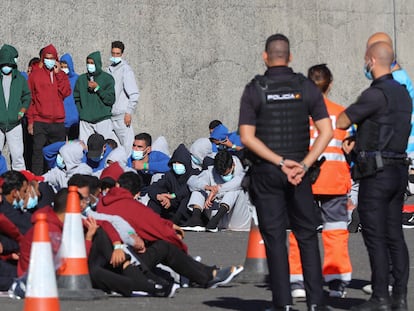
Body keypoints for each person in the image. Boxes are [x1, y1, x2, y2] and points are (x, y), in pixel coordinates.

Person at [238, 33, 333, 311]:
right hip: (300, 173)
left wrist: (279, 162)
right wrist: (302, 164)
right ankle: (316, 303)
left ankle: (283, 304)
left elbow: (246, 136)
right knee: (306, 236)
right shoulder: (306, 87)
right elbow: (326, 131)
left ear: (265, 57)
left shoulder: (255, 89)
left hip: (268, 172)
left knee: (275, 239)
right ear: (290, 57)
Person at [337, 41, 411, 311]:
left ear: (371, 60)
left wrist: (355, 136)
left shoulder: (375, 93)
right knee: (395, 235)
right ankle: (399, 297)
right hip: (398, 171)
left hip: (376, 174)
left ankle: (380, 296)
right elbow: (385, 127)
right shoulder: (404, 94)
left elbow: (343, 120)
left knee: (375, 235)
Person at [97, 171, 244, 290]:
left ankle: (203, 271)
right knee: (166, 247)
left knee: (159, 245)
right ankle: (207, 276)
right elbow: (156, 226)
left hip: (110, 258)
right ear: (136, 194)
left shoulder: (102, 204)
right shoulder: (130, 206)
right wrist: (175, 238)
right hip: (124, 261)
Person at [288, 64, 352, 299]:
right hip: (334, 181)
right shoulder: (341, 113)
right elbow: (349, 148)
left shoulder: (298, 114)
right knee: (335, 231)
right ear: (330, 84)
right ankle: (336, 281)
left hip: (303, 180)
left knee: (299, 231)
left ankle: (297, 280)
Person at [26, 44, 71, 175]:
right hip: (40, 120)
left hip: (58, 122)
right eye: (47, 58)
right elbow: (31, 99)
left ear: (56, 59)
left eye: (52, 58)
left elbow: (66, 92)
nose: (49, 61)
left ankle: (57, 179)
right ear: (42, 59)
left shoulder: (61, 75)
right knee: (38, 153)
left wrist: (58, 75)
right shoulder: (35, 75)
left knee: (58, 155)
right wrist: (30, 121)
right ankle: (37, 181)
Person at [183, 150, 251, 232]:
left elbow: (239, 182)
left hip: (239, 219)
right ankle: (195, 219)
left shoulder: (242, 172)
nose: (223, 176)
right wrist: (207, 187)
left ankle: (216, 218)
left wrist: (217, 190)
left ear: (233, 165)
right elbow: (191, 180)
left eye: (226, 174)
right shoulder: (212, 171)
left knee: (234, 189)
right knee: (198, 188)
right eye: (221, 175)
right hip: (218, 220)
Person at [147, 143, 200, 224]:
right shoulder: (170, 175)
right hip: (172, 207)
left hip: (187, 210)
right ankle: (151, 222)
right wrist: (159, 197)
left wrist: (173, 196)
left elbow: (187, 189)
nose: (177, 165)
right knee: (153, 201)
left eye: (180, 163)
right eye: (175, 163)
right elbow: (154, 187)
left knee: (187, 197)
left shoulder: (195, 173)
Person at [0, 46, 31, 171]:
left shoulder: (20, 79)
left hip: (15, 123)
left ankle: (20, 183)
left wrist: (22, 110)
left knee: (18, 156)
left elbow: (27, 96)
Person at [74, 51, 115, 143]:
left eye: (92, 63)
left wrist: (97, 88)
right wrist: (83, 112)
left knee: (105, 145)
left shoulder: (107, 78)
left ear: (97, 63)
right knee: (84, 146)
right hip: (86, 120)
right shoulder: (81, 79)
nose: (90, 65)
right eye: (88, 63)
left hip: (102, 119)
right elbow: (76, 98)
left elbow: (110, 99)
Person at [107, 41, 140, 155]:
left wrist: (128, 112)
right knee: (114, 148)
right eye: (113, 53)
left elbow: (134, 93)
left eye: (118, 54)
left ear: (122, 54)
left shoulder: (126, 70)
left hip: (122, 117)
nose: (115, 56)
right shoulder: (109, 69)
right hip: (111, 116)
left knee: (127, 148)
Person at [60, 53, 80, 140]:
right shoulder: (58, 79)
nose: (63, 69)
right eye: (62, 66)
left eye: (65, 66)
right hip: (61, 120)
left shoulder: (77, 79)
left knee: (73, 144)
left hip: (74, 119)